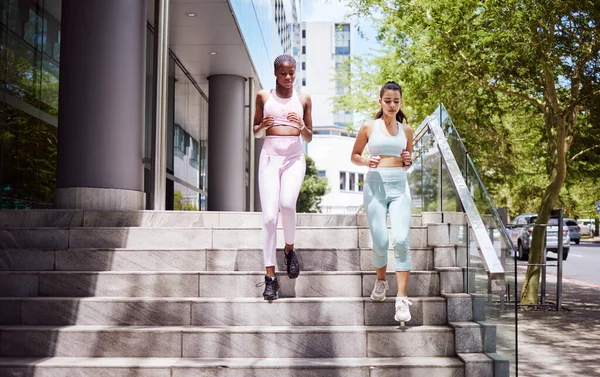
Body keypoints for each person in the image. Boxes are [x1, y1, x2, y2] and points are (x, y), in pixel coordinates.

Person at [350, 81, 414, 326]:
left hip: (399, 188)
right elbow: (354, 155)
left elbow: (408, 162)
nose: (392, 105)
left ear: (400, 102)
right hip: (375, 188)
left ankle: (401, 297)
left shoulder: (406, 130)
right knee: (380, 240)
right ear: (380, 101)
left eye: (396, 101)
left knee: (400, 239)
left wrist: (408, 160)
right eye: (387, 101)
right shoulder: (369, 126)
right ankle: (381, 281)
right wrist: (366, 162)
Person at [253, 54, 313, 300]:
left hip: (294, 157)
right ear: (275, 74)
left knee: (287, 204)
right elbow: (256, 132)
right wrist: (262, 126)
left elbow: (309, 136)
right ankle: (270, 277)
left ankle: (289, 249)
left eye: (292, 73)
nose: (288, 78)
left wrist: (300, 125)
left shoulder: (304, 99)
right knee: (269, 218)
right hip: (269, 157)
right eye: (283, 73)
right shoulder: (263, 96)